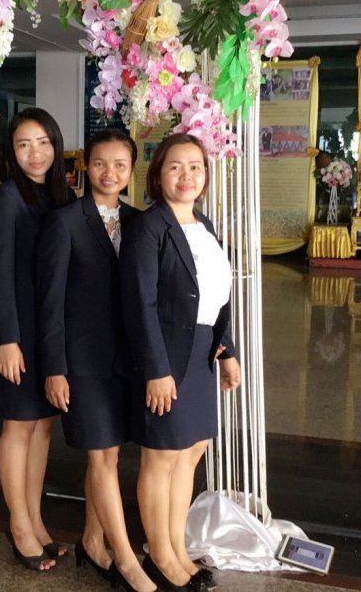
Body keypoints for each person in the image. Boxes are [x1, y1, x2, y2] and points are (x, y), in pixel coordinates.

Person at [120, 134, 242, 591]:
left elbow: (214, 293)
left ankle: (176, 548)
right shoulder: (148, 228)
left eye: (195, 167)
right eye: (175, 166)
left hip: (201, 352)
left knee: (191, 452)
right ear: (158, 175)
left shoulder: (204, 225)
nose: (186, 175)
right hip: (166, 356)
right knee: (162, 456)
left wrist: (227, 350)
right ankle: (160, 556)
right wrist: (156, 369)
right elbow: (140, 304)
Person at [36, 130, 155, 592]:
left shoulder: (140, 221)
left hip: (127, 362)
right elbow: (50, 303)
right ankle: (125, 559)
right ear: (87, 166)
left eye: (120, 165)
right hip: (82, 362)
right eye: (101, 163)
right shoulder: (65, 222)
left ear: (132, 169)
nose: (110, 173)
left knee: (110, 453)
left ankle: (92, 539)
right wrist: (54, 367)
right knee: (102, 455)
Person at [0, 107, 74, 571]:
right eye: (23, 145)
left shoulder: (61, 195)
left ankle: (35, 519)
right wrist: (6, 339)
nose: (35, 153)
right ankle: (18, 525)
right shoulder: (6, 199)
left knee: (42, 427)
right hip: (18, 334)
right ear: (9, 153)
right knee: (18, 427)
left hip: (51, 334)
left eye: (42, 143)